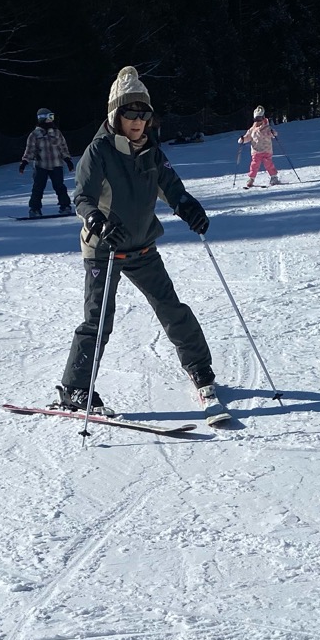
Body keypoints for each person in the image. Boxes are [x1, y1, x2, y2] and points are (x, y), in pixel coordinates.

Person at [50, 66, 215, 416]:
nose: (138, 121)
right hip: (104, 249)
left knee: (172, 309)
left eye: (144, 114)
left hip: (141, 247)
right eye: (130, 113)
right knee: (98, 320)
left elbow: (173, 188)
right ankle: (75, 388)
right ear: (116, 115)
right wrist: (97, 220)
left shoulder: (152, 151)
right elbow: (83, 198)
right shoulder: (99, 152)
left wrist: (188, 208)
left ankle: (199, 368)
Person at [19, 108, 73, 218]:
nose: (51, 120)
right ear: (42, 118)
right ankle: (35, 209)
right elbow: (30, 150)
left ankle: (65, 206)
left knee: (59, 186)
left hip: (56, 164)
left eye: (52, 117)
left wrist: (67, 160)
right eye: (49, 117)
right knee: (38, 187)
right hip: (41, 165)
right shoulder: (34, 135)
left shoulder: (56, 133)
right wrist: (24, 162)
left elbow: (63, 147)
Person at [239, 107, 280, 188]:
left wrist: (273, 133)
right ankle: (251, 178)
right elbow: (248, 137)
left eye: (260, 118)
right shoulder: (252, 129)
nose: (258, 121)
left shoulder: (267, 128)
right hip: (256, 151)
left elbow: (273, 134)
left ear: (263, 118)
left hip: (266, 150)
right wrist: (243, 139)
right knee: (254, 165)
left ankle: (274, 177)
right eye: (256, 119)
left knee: (268, 164)